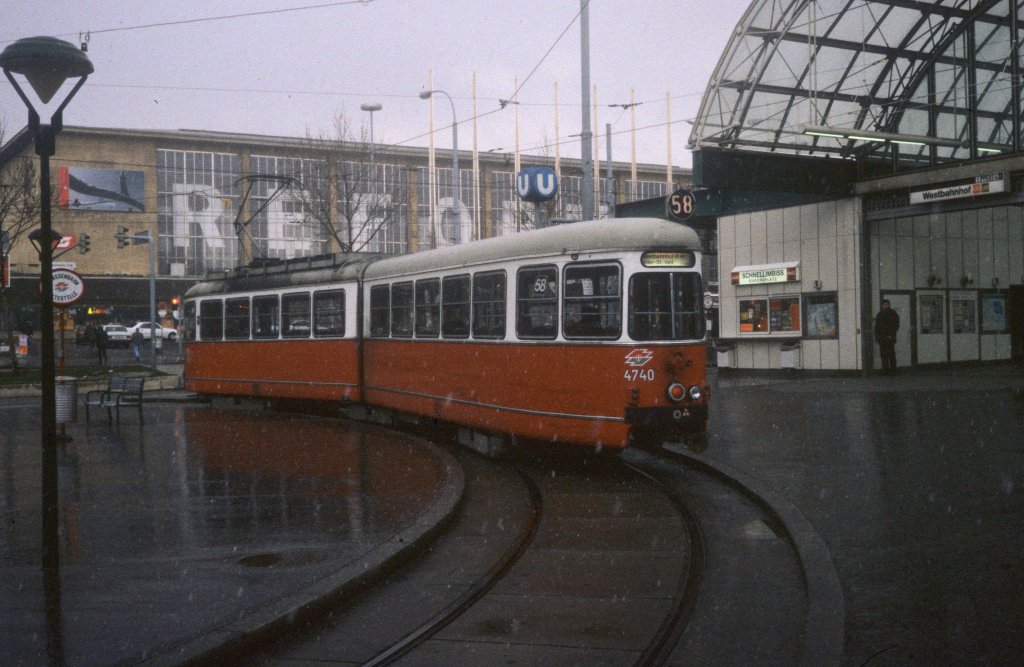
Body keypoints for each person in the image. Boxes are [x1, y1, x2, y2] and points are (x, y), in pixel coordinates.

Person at [874, 299, 900, 374]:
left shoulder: (892, 314)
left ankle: (892, 370)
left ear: (889, 305)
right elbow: (877, 327)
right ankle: (885, 370)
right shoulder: (881, 314)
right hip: (883, 338)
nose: (885, 306)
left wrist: (890, 334)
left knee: (890, 354)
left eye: (886, 304)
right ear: (882, 305)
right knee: (884, 354)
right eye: (884, 304)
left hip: (889, 338)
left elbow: (896, 326)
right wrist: (877, 337)